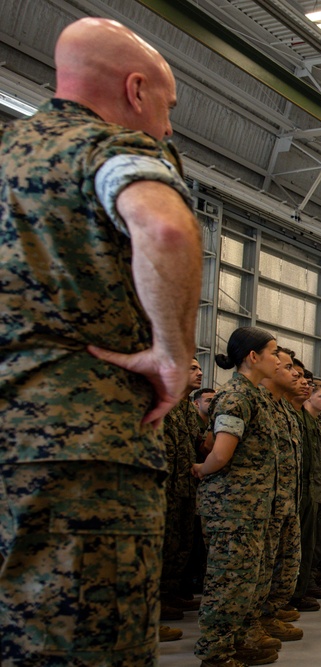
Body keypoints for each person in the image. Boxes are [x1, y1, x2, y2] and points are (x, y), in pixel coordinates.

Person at [0, 17, 201, 666]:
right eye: (168, 109)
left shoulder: (8, 153)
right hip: (82, 443)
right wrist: (173, 352)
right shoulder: (105, 146)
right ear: (136, 89)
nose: (168, 128)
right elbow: (165, 228)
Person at [192, 326, 281, 666]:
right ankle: (215, 653)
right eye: (273, 352)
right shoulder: (236, 396)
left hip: (251, 506)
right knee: (229, 581)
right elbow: (221, 453)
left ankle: (237, 640)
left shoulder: (254, 395)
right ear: (253, 357)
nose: (277, 359)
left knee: (247, 580)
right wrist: (202, 469)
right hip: (232, 507)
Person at [256, 348, 304, 643]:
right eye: (287, 366)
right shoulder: (249, 400)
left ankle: (267, 614)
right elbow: (216, 447)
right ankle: (246, 627)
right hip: (256, 503)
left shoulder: (284, 409)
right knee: (255, 569)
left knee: (284, 564)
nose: (296, 374)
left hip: (285, 500)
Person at [160, 358, 207, 630]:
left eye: (200, 368)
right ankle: (155, 601)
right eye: (192, 368)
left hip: (185, 488)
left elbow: (199, 444)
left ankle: (170, 593)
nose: (199, 372)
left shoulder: (187, 410)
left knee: (181, 546)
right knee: (163, 546)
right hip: (164, 489)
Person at [291, 374, 321, 612]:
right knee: (297, 545)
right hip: (301, 491)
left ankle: (301, 589)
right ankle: (292, 593)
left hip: (315, 490)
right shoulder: (298, 419)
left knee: (312, 543)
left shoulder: (315, 424)